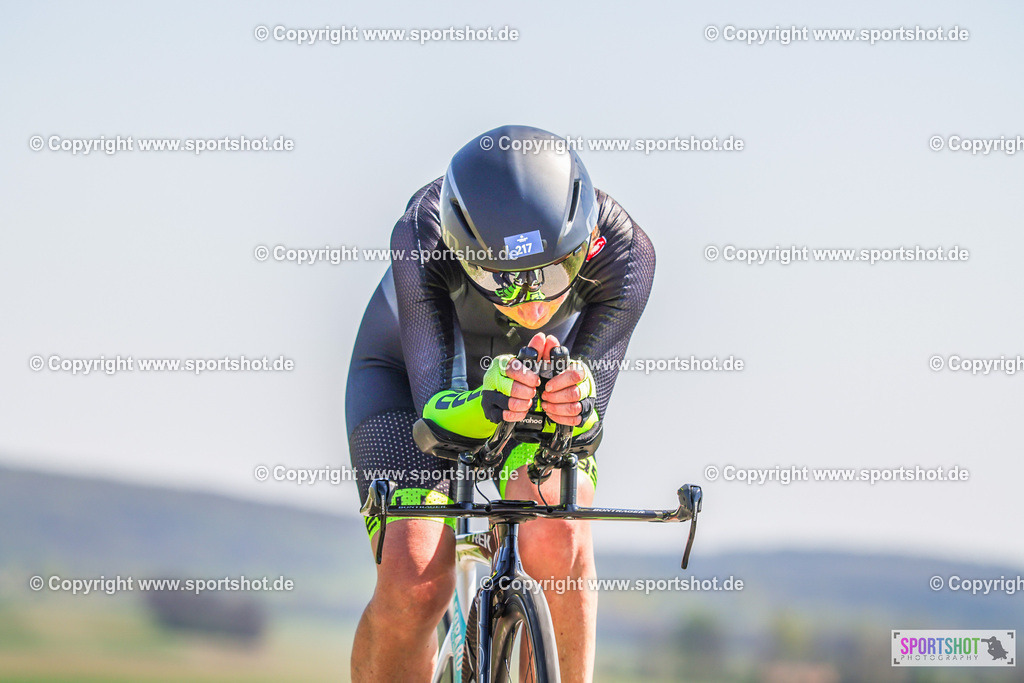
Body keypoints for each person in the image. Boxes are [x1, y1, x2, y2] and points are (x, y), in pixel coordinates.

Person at [346, 124, 655, 681]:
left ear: (586, 241)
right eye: (503, 280)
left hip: (536, 383)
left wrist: (577, 401)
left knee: (558, 538)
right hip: (411, 383)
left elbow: (586, 422)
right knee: (413, 575)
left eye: (556, 271)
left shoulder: (627, 252)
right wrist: (488, 405)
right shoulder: (422, 231)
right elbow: (434, 418)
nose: (533, 305)